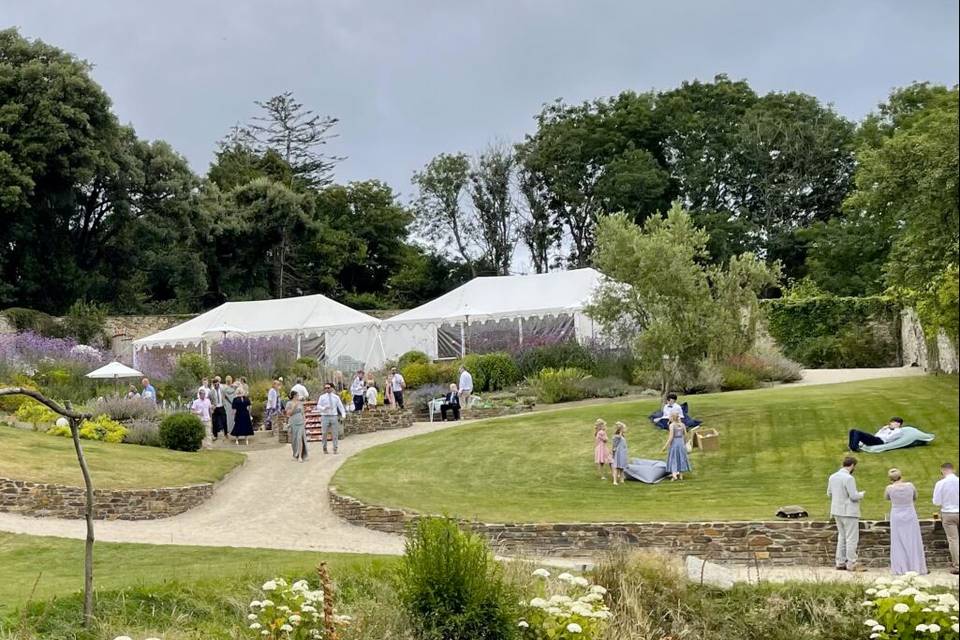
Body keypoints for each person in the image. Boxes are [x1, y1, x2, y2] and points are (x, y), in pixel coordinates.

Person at [885, 468, 927, 575]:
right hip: (909, 514)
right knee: (913, 540)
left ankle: (901, 567)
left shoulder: (889, 488)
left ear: (890, 479)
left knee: (898, 541)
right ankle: (916, 566)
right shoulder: (910, 486)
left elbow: (887, 498)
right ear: (901, 476)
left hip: (897, 515)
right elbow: (915, 497)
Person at [827, 457, 867, 572]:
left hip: (836, 511)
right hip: (849, 512)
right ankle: (851, 563)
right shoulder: (849, 478)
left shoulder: (832, 476)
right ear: (852, 465)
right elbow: (853, 496)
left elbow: (829, 493)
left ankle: (840, 562)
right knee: (851, 538)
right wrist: (861, 494)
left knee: (842, 537)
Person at [933, 462, 960, 575]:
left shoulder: (941, 483)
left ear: (943, 470)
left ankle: (957, 565)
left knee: (953, 540)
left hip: (949, 514)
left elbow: (936, 502)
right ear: (952, 470)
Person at [316, 382, 346, 454]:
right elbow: (318, 406)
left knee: (335, 433)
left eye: (328, 388)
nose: (327, 389)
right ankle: (324, 448)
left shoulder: (336, 397)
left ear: (331, 388)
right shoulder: (322, 397)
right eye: (325, 388)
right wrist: (323, 408)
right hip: (325, 416)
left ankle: (335, 448)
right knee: (324, 433)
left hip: (333, 416)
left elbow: (340, 406)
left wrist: (343, 414)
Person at [662, 412, 692, 481]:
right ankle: (681, 475)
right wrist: (684, 442)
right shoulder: (682, 425)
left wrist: (665, 446)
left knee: (673, 458)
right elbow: (686, 435)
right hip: (681, 442)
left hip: (675, 443)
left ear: (672, 418)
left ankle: (674, 475)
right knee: (681, 458)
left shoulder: (672, 425)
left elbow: (671, 437)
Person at [285, 390, 307, 462]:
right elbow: (289, 414)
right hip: (293, 422)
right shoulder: (289, 403)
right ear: (294, 396)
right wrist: (294, 407)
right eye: (297, 395)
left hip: (300, 422)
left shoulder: (300, 403)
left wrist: (304, 421)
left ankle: (300, 456)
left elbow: (303, 413)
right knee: (294, 440)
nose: (298, 397)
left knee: (300, 438)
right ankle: (295, 454)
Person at [209, 376, 228, 441]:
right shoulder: (211, 392)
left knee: (224, 421)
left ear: (218, 383)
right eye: (215, 385)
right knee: (214, 422)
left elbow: (226, 396)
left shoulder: (222, 389)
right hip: (215, 408)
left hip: (222, 407)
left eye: (217, 384)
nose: (216, 385)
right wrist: (211, 406)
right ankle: (215, 435)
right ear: (213, 385)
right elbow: (209, 400)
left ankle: (226, 434)